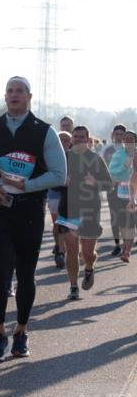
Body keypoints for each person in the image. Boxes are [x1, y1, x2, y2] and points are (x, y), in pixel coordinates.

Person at [0, 76, 66, 361]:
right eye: (10, 91)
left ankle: (21, 330)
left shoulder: (44, 132)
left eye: (19, 91)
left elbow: (59, 175)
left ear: (29, 97)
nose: (14, 95)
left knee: (25, 273)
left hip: (29, 209)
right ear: (5, 96)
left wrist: (28, 185)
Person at [57, 126, 115, 300]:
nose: (79, 139)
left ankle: (89, 268)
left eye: (83, 137)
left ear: (88, 139)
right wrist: (62, 182)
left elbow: (109, 184)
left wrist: (95, 182)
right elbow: (51, 183)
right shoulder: (63, 159)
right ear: (72, 139)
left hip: (90, 211)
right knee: (71, 249)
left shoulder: (95, 159)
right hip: (68, 210)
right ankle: (73, 286)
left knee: (87, 253)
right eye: (76, 136)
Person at [109, 130, 135, 262]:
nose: (129, 140)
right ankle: (125, 245)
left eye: (132, 138)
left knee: (130, 222)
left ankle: (127, 251)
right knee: (123, 223)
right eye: (127, 138)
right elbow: (112, 171)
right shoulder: (118, 155)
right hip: (120, 192)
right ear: (123, 141)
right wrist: (125, 165)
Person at [49, 131, 73, 269]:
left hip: (69, 193)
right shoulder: (51, 155)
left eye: (66, 139)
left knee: (66, 223)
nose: (63, 141)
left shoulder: (74, 156)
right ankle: (59, 247)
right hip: (54, 191)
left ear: (70, 142)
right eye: (61, 139)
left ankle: (63, 251)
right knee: (57, 222)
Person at [105, 124, 129, 256]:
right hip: (112, 187)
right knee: (114, 216)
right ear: (113, 135)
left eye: (121, 134)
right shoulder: (108, 149)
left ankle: (126, 245)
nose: (119, 136)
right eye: (117, 134)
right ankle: (117, 245)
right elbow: (103, 166)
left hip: (126, 187)